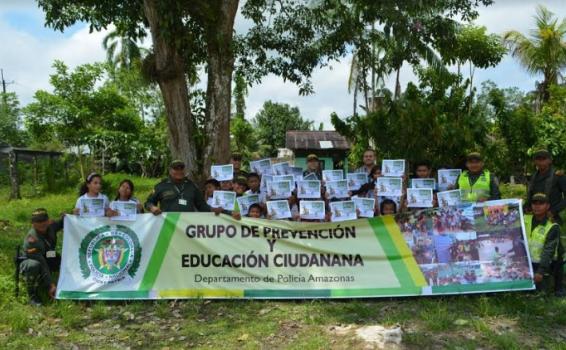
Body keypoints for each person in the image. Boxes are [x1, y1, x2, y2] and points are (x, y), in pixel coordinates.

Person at [19, 209, 63, 305]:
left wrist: (70, 215)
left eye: (43, 221)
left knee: (59, 257)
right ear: (33, 223)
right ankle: (32, 295)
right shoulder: (32, 240)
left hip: (46, 254)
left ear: (48, 220)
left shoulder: (51, 226)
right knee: (34, 265)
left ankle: (61, 280)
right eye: (38, 221)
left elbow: (62, 222)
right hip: (30, 259)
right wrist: (50, 285)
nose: (42, 224)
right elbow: (42, 262)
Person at [524, 193, 564, 295]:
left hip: (544, 265)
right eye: (534, 203)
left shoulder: (552, 227)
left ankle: (557, 285)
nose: (537, 206)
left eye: (541, 203)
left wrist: (540, 272)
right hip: (526, 263)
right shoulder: (524, 219)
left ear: (547, 206)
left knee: (539, 292)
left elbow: (548, 251)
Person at [145, 160, 212, 214]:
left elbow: (201, 205)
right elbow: (148, 202)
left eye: (181, 169)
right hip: (168, 225)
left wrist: (213, 210)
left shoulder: (191, 186)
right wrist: (152, 207)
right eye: (176, 169)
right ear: (170, 171)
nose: (179, 171)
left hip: (187, 225)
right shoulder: (161, 186)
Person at [525, 149, 566, 224]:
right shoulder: (533, 177)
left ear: (550, 160)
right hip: (535, 217)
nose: (541, 162)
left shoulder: (558, 176)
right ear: (535, 162)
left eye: (544, 159)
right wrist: (526, 207)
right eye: (538, 159)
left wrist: (554, 211)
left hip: (551, 217)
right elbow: (530, 196)